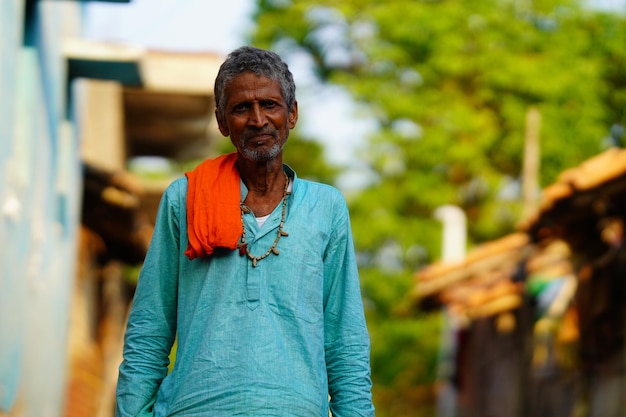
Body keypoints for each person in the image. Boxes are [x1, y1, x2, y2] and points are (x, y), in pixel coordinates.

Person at [115, 46, 375, 416]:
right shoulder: (186, 198)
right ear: (222, 122)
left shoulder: (326, 208)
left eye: (270, 105)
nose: (257, 120)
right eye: (241, 108)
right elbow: (149, 330)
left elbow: (345, 342)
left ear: (292, 114)